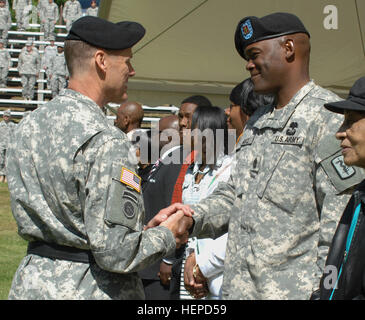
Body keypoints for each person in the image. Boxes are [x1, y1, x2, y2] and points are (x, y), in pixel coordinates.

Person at [149, 12, 365, 300]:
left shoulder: (326, 118)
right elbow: (233, 195)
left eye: (254, 54)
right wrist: (190, 217)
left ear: (289, 49)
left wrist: (324, 293)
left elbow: (339, 225)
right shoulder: (258, 121)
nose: (249, 65)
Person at [6, 16, 192, 300]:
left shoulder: (27, 126)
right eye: (127, 61)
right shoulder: (106, 140)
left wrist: (142, 230)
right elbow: (117, 253)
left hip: (33, 283)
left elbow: (77, 223)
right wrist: (168, 233)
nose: (132, 70)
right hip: (90, 287)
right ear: (102, 61)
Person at [185, 79, 275, 300]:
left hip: (228, 278)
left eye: (232, 105)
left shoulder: (243, 161)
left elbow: (245, 227)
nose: (226, 112)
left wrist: (201, 266)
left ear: (246, 112)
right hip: (209, 277)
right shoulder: (242, 155)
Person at [311, 76, 365, 300]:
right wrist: (323, 294)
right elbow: (335, 262)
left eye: (350, 121)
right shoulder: (359, 196)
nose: (340, 132)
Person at [138, 115, 182, 299]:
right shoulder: (163, 161)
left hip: (159, 267)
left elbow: (174, 211)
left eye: (158, 133)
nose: (153, 138)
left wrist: (168, 259)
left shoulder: (176, 163)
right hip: (148, 261)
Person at [0, 109, 15, 183]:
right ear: (3, 116)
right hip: (1, 145)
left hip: (9, 146)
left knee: (8, 161)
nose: (6, 117)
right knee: (1, 161)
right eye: (5, 116)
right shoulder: (0, 125)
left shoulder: (13, 125)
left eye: (8, 116)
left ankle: (6, 176)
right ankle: (1, 175)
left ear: (10, 117)